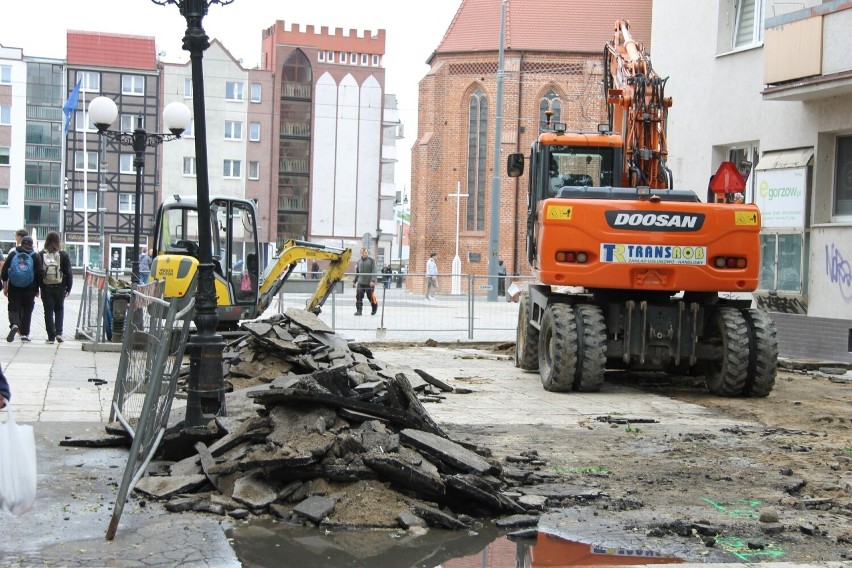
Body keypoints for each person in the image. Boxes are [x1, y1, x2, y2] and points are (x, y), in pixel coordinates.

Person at [2, 235, 44, 343]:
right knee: (27, 310)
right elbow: (40, 273)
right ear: (31, 245)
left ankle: (14, 324)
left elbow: (4, 271)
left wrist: (5, 286)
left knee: (13, 308)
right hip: (30, 288)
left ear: (21, 243)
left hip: (14, 287)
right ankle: (24, 334)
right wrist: (38, 289)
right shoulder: (35, 256)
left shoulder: (13, 254)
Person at [39, 231, 74, 344]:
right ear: (58, 241)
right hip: (60, 287)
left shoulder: (41, 254)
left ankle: (51, 337)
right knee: (59, 309)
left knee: (48, 311)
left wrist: (39, 287)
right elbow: (68, 272)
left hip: (46, 287)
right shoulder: (63, 255)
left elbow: (39, 273)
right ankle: (59, 333)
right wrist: (68, 288)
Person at [353, 247, 378, 316]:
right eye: (363, 253)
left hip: (369, 283)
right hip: (360, 283)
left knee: (370, 296)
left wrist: (373, 280)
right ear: (361, 253)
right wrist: (354, 281)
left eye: (366, 252)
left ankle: (374, 307)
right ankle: (359, 311)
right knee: (359, 296)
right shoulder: (359, 262)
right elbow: (357, 272)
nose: (364, 254)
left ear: (367, 253)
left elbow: (374, 271)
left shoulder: (371, 261)